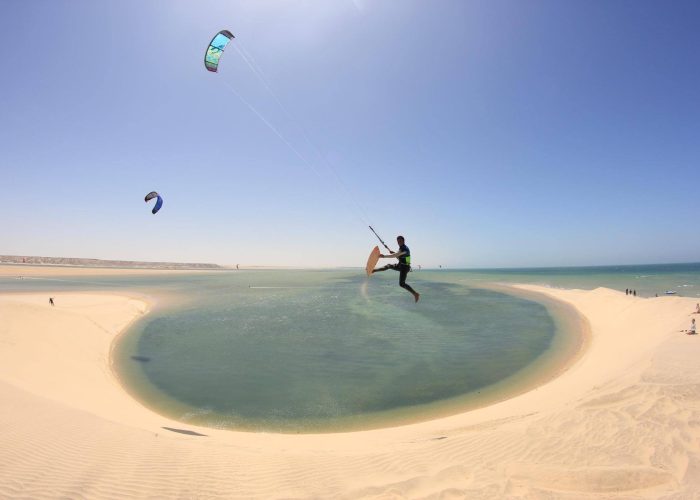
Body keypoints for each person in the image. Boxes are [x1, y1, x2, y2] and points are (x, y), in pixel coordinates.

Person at [372, 235, 420, 302]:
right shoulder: (401, 248)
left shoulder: (405, 249)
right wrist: (395, 253)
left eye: (400, 241)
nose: (399, 242)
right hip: (401, 265)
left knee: (402, 284)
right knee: (389, 265)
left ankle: (415, 294)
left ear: (403, 241)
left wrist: (383, 256)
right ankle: (374, 270)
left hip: (405, 268)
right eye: (398, 241)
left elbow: (395, 255)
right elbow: (399, 256)